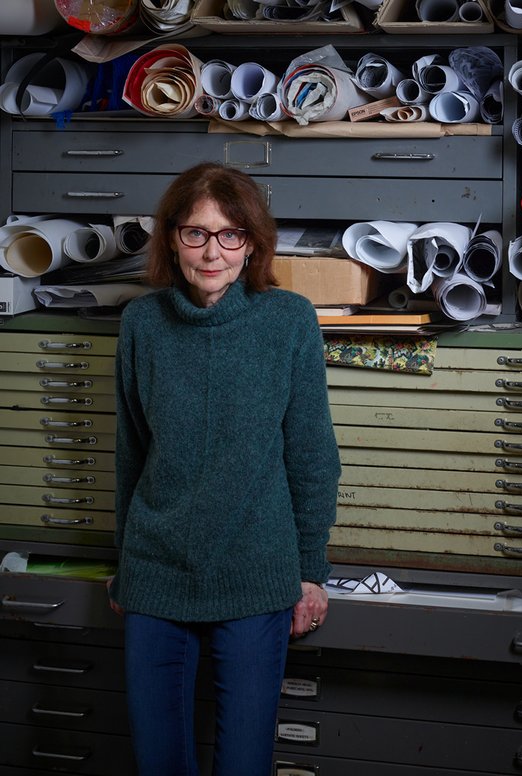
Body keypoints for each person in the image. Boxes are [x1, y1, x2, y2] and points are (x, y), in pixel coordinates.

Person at [107, 161, 341, 776]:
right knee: (158, 763)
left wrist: (312, 571)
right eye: (196, 233)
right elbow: (131, 453)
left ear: (253, 243)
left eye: (230, 234)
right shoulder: (141, 325)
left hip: (254, 572)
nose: (213, 252)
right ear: (171, 239)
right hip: (156, 573)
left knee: (242, 762)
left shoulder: (288, 320)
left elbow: (313, 453)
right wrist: (123, 563)